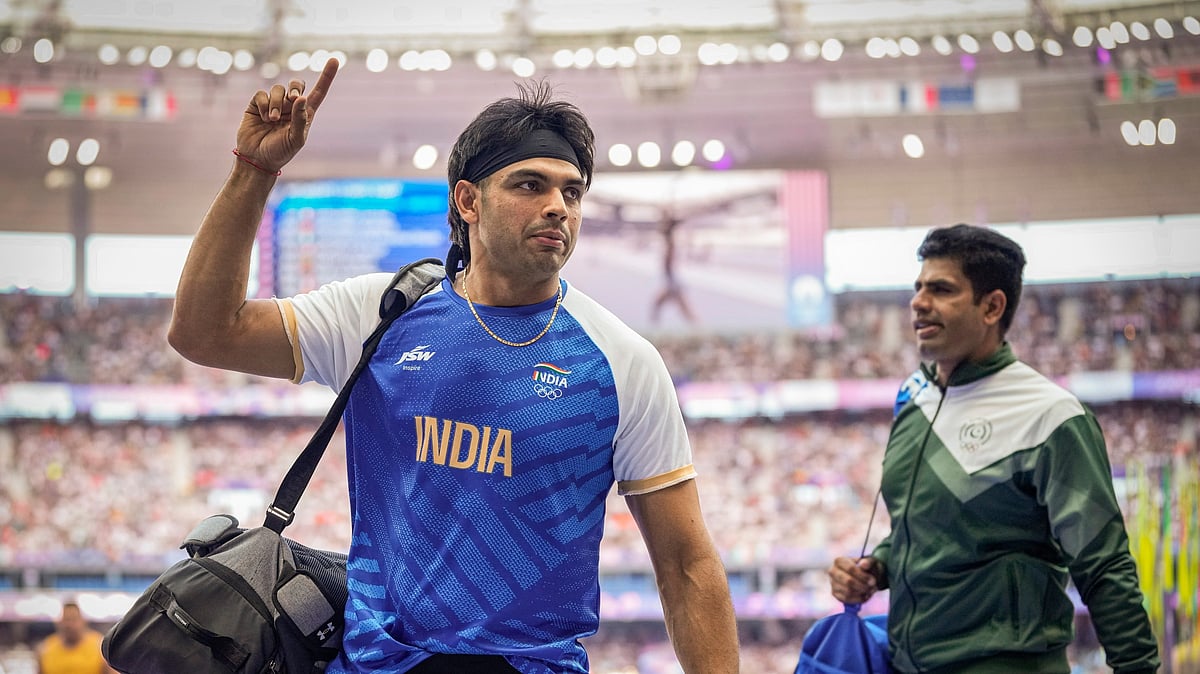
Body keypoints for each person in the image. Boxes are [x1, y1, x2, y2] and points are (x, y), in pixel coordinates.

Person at [166, 57, 738, 673]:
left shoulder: (623, 361)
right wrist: (255, 171)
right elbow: (205, 332)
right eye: (529, 185)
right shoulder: (381, 314)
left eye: (571, 192)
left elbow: (687, 565)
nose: (558, 207)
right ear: (468, 199)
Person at [827, 223, 1159, 674]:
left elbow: (1104, 568)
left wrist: (1137, 668)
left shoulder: (1052, 415)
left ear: (992, 306)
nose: (918, 302)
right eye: (918, 287)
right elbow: (924, 528)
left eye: (941, 289)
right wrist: (876, 568)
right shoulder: (914, 399)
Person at [37, 601, 115, 674]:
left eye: (74, 619)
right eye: (66, 619)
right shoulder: (46, 649)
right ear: (59, 623)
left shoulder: (99, 647)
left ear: (83, 621)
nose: (69, 625)